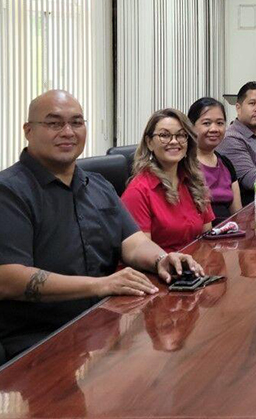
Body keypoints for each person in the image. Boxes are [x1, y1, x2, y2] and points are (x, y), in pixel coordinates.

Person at [0, 90, 203, 360]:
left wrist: (161, 259)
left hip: (106, 327)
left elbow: (133, 242)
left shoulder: (98, 185)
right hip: (39, 341)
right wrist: (100, 285)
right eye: (54, 123)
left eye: (76, 122)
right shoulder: (10, 192)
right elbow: (9, 279)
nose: (68, 131)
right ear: (28, 130)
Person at [121, 109, 215, 252]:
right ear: (149, 142)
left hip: (196, 268)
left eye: (181, 135)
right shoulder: (138, 192)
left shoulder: (194, 182)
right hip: (159, 271)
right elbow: (141, 253)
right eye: (164, 135)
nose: (174, 141)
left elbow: (207, 239)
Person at [188, 97, 243, 222]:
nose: (214, 129)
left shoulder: (226, 163)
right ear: (191, 127)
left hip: (228, 234)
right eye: (206, 123)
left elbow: (238, 214)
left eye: (219, 123)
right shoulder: (184, 164)